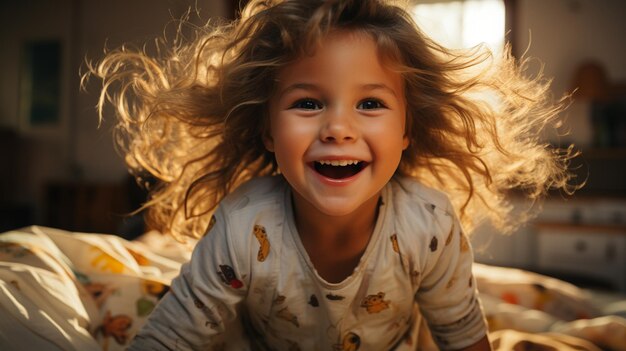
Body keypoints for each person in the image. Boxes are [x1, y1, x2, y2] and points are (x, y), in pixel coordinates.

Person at [88, 0, 575, 349]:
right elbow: (170, 337)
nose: (338, 128)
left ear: (408, 128)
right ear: (268, 132)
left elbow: (464, 337)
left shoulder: (429, 224)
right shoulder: (241, 225)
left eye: (370, 103)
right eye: (307, 103)